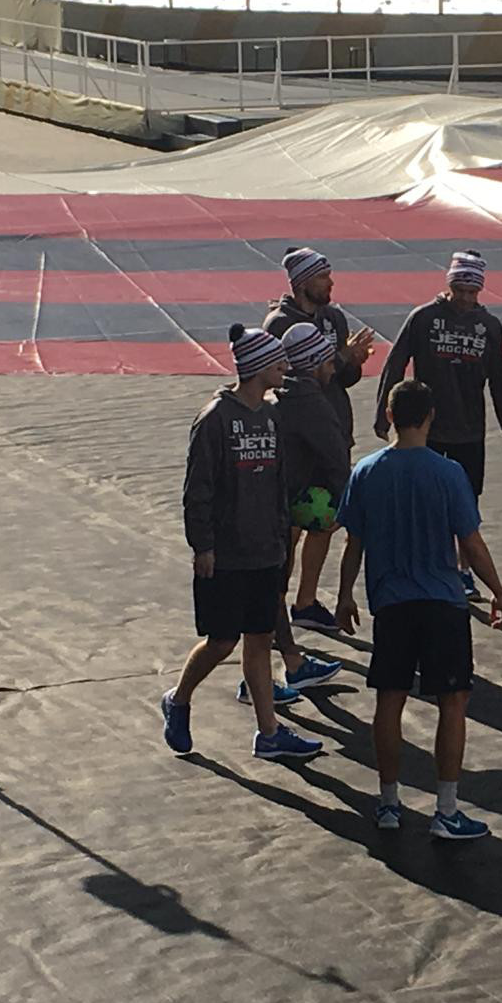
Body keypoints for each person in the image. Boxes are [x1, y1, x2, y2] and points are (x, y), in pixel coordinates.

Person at [337, 380, 502, 840]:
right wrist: (497, 590)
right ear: (431, 417)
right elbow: (470, 542)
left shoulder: (366, 471)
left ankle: (389, 803)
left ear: (390, 417)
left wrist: (344, 595)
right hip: (442, 604)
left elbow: (354, 542)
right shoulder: (448, 473)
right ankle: (446, 810)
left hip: (391, 604)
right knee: (452, 702)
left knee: (389, 699)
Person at [161, 326, 326, 763]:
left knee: (260, 638)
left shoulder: (271, 415)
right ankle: (178, 699)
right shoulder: (215, 418)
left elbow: (279, 481)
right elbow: (198, 489)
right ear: (256, 367)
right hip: (226, 554)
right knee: (221, 642)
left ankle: (268, 733)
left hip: (265, 550)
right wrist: (203, 546)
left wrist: (281, 536)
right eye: (277, 361)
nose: (285, 366)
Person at [374, 250, 502, 601]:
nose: (466, 299)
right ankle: (430, 562)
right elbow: (395, 364)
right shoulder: (424, 318)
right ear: (449, 285)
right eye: (460, 291)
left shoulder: (489, 327)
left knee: (466, 503)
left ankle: (464, 571)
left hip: (469, 430)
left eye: (473, 292)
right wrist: (382, 415)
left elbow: (500, 381)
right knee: (425, 500)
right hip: (427, 430)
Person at [267, 248, 374, 631]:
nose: (331, 282)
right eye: (322, 276)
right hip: (299, 439)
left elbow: (341, 376)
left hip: (333, 428)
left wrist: (352, 362)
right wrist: (343, 357)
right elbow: (280, 377)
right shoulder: (280, 324)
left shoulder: (334, 318)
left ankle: (306, 601)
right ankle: (275, 607)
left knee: (323, 521)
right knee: (290, 527)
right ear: (302, 282)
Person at [265, 323, 351, 701]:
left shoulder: (277, 395)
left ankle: (275, 671)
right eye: (328, 362)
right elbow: (335, 458)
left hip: (270, 506)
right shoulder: (311, 403)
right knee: (266, 595)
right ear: (314, 363)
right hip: (276, 511)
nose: (333, 369)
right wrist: (348, 507)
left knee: (268, 594)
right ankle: (285, 669)